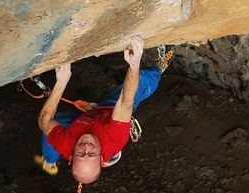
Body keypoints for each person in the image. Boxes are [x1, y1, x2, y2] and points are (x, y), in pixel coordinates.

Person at [35, 35, 176, 184]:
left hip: (85, 121)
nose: (86, 147)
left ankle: (49, 163)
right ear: (101, 156)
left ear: (71, 157)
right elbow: (125, 102)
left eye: (81, 153)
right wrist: (134, 65)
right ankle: (160, 65)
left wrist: (61, 84)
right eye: (91, 154)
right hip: (108, 114)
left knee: (54, 126)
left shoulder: (66, 144)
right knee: (140, 82)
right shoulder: (114, 138)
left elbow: (44, 120)